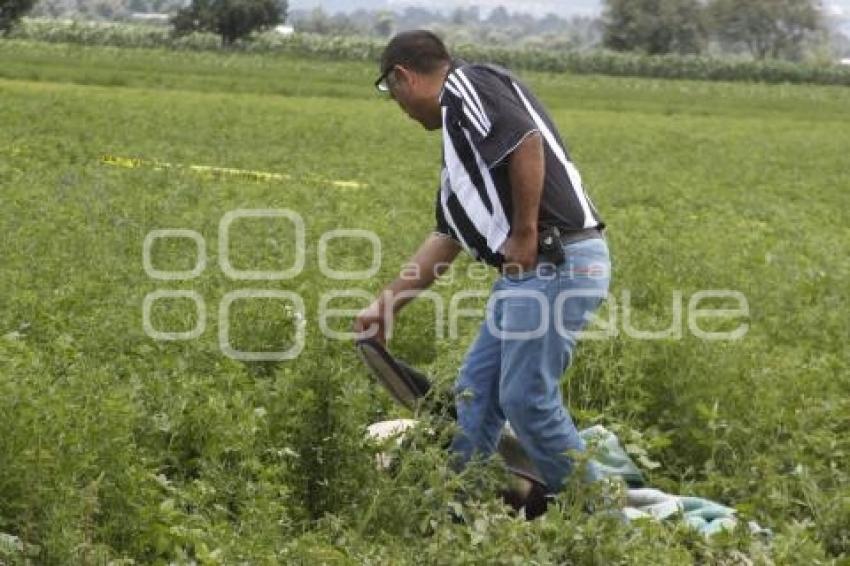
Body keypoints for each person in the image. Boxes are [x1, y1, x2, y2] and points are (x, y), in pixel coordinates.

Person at [354, 30, 611, 496]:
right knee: (476, 393)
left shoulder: (466, 85)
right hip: (527, 273)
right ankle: (460, 507)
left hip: (555, 259)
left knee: (526, 400)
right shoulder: (459, 148)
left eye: (392, 94)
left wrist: (524, 232)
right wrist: (386, 305)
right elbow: (447, 237)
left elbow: (524, 140)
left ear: (402, 77)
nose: (401, 109)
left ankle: (607, 527)